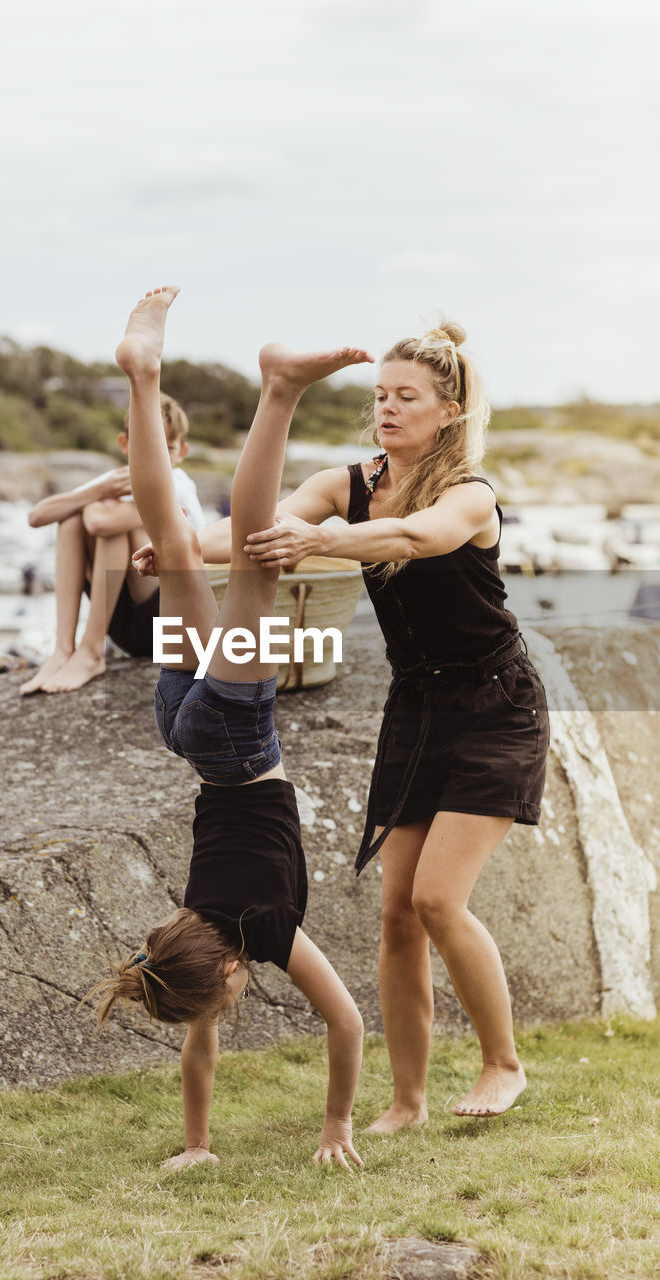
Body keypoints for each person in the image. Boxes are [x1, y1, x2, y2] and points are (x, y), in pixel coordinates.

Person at [236, 320, 549, 1130]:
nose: (386, 408)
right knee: (396, 912)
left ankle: (501, 1063)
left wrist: (326, 539)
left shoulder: (468, 492)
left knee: (439, 899)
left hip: (494, 705)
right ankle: (407, 1101)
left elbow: (421, 537)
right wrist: (170, 552)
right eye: (378, 395)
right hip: (416, 707)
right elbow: (257, 531)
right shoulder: (343, 483)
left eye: (405, 396)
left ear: (447, 410)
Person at [94, 285, 370, 1169]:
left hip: (237, 744)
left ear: (221, 969)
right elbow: (198, 1037)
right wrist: (196, 1147)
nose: (231, 1004)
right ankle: (142, 379)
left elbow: (347, 1022)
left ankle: (280, 390)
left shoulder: (261, 928)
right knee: (175, 546)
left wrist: (335, 1127)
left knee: (253, 551)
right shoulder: (190, 920)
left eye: (223, 998)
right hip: (184, 735)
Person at [19, 395, 202, 694]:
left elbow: (100, 524)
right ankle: (63, 648)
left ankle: (91, 651)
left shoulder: (176, 483)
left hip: (171, 622)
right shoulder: (114, 480)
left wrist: (97, 501)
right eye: (145, 446)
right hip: (126, 621)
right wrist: (99, 491)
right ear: (125, 444)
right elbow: (37, 516)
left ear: (181, 452)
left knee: (111, 527)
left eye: (165, 449)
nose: (154, 456)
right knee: (70, 522)